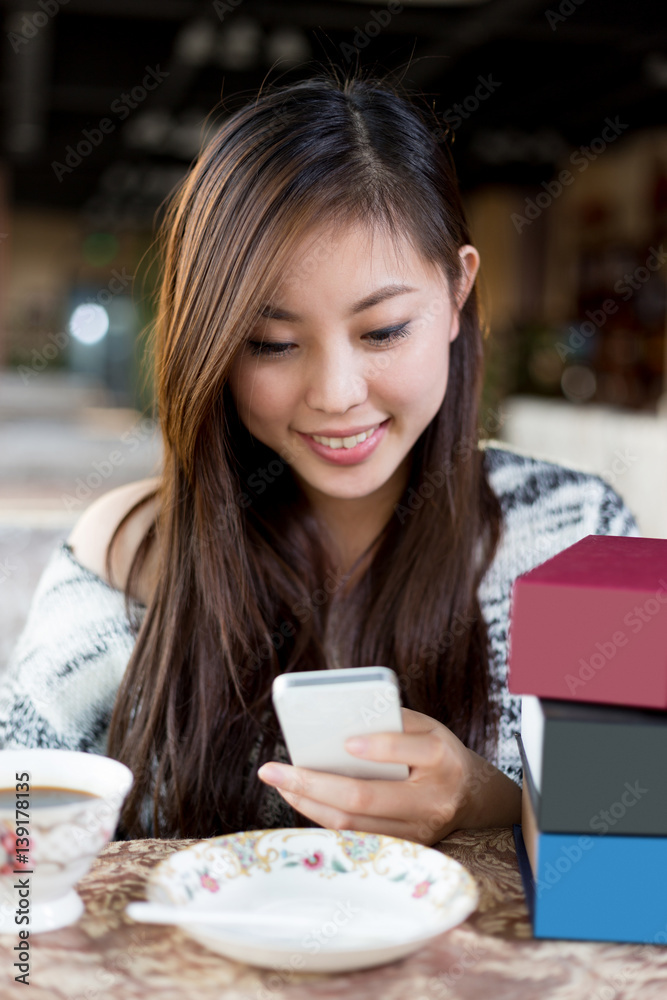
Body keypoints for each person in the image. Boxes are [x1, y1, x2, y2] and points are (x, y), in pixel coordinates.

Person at [0, 71, 639, 844]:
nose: (335, 393)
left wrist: (486, 799)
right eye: (271, 343)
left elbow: (634, 843)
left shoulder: (577, 541)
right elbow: (19, 815)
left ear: (458, 292)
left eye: (382, 331)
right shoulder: (131, 553)